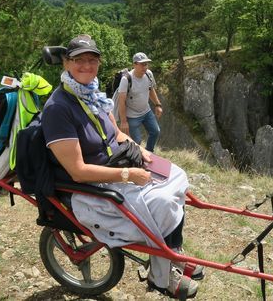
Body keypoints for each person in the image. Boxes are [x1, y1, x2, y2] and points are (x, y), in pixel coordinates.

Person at [41, 35, 202, 299]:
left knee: (176, 176)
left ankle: (175, 254)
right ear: (66, 64)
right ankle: (162, 277)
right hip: (91, 185)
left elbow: (116, 134)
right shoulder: (58, 108)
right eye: (78, 60)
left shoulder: (92, 94)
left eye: (92, 60)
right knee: (162, 201)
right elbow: (78, 171)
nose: (86, 65)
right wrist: (128, 174)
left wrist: (140, 150)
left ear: (99, 63)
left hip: (116, 167)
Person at [117, 52, 162, 151]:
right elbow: (121, 101)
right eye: (142, 64)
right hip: (132, 116)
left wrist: (158, 104)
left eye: (146, 64)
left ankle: (149, 152)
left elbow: (150, 89)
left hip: (146, 111)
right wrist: (124, 121)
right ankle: (136, 159)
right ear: (134, 64)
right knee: (136, 140)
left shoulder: (149, 74)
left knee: (155, 131)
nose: (145, 67)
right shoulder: (126, 79)